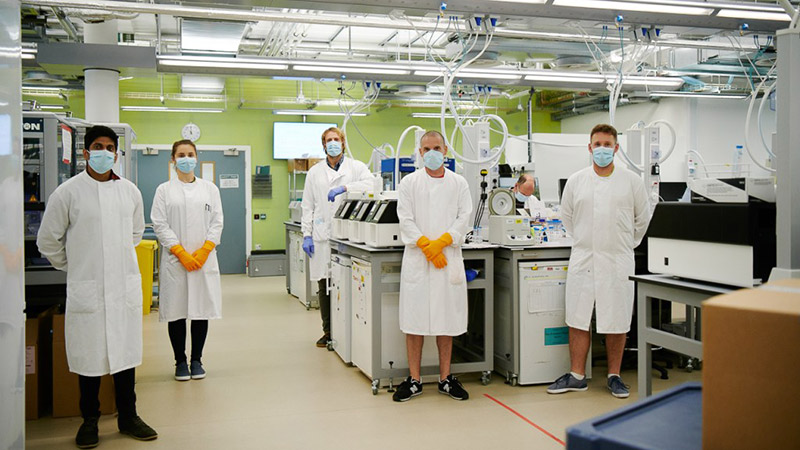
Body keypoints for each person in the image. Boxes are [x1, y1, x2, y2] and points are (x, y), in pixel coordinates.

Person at [37, 125, 157, 448]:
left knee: (125, 354)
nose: (104, 152)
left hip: (122, 286)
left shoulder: (130, 192)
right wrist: (75, 264)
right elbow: (47, 241)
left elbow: (135, 234)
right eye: (98, 146)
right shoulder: (68, 193)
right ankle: (89, 420)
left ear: (116, 154)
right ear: (86, 152)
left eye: (110, 147)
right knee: (89, 358)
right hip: (87, 287)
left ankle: (129, 416)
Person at [547, 124, 651, 399]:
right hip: (584, 258)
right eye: (597, 144)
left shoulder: (632, 182)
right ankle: (577, 375)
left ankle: (614, 376)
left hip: (618, 260)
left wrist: (622, 245)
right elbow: (567, 218)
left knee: (617, 319)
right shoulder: (576, 181)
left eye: (607, 144)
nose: (602, 149)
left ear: (616, 148)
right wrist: (587, 242)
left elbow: (643, 219)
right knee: (578, 317)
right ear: (589, 147)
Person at [393, 130, 472, 402]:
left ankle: (445, 378)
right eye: (426, 149)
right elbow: (405, 219)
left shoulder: (459, 183)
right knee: (414, 321)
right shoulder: (409, 183)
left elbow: (464, 217)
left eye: (436, 148)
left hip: (447, 258)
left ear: (445, 150)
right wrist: (427, 245)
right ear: (420, 152)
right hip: (419, 258)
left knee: (446, 321)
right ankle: (414, 380)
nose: (432, 153)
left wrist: (443, 242)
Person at [151, 140, 224, 381]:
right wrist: (180, 252)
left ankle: (197, 360)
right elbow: (159, 224)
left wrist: (205, 250)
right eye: (181, 155)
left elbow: (217, 222)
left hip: (203, 260)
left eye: (190, 154)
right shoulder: (164, 190)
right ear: (173, 159)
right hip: (176, 261)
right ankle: (180, 362)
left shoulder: (210, 189)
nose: (186, 159)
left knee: (201, 310)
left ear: (196, 158)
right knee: (177, 312)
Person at [300, 127, 373, 347]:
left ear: (343, 142)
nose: (333, 143)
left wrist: (344, 187)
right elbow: (307, 206)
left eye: (336, 139)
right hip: (322, 236)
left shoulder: (356, 167)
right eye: (328, 140)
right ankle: (328, 331)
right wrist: (306, 234)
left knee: (347, 283)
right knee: (325, 285)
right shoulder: (314, 172)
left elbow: (371, 184)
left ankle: (349, 330)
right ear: (324, 145)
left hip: (348, 236)